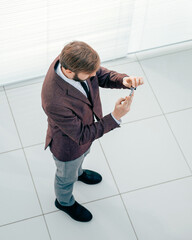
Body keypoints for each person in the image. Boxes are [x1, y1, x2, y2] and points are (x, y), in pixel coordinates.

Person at [41, 40, 144, 222]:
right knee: (65, 177)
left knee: (83, 156)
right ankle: (64, 202)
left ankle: (79, 173)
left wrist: (122, 80)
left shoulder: (70, 60)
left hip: (85, 133)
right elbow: (81, 135)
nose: (93, 75)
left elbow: (100, 74)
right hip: (69, 147)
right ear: (69, 72)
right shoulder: (54, 100)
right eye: (89, 74)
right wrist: (114, 116)